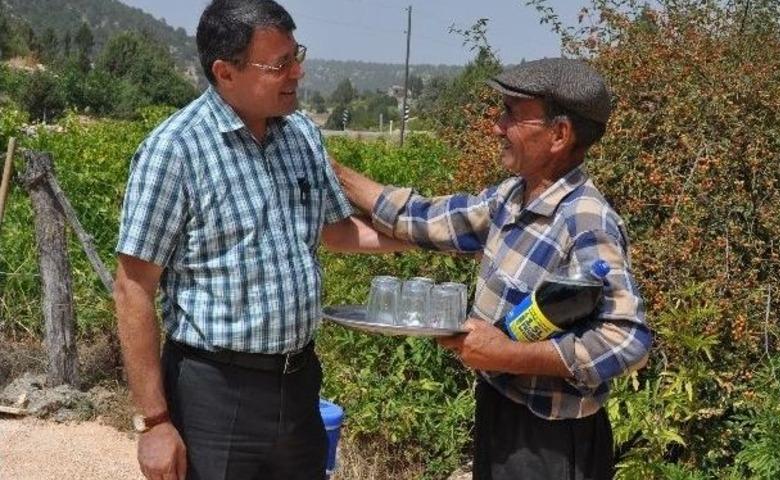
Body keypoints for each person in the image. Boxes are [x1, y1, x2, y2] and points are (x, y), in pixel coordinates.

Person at [113, 1, 407, 479]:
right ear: (225, 72)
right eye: (280, 64)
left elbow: (335, 229)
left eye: (297, 56)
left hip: (298, 384)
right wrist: (155, 422)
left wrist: (421, 238)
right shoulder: (176, 150)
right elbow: (133, 287)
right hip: (214, 393)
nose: (298, 72)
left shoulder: (301, 135)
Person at [333, 58, 652, 480]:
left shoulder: (585, 220)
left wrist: (511, 355)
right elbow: (424, 218)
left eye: (512, 114)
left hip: (549, 444)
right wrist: (330, 170)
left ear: (559, 134)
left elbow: (628, 340)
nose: (497, 127)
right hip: (500, 414)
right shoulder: (511, 199)